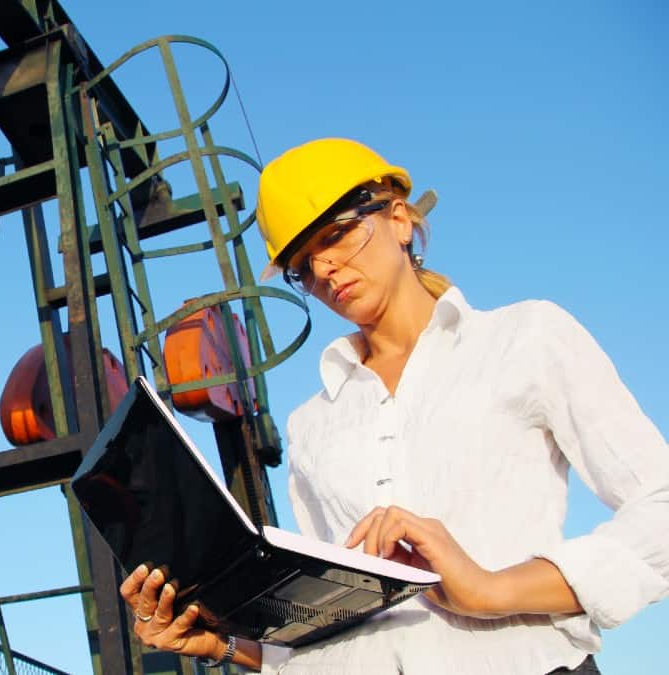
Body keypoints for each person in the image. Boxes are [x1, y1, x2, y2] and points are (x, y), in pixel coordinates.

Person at [119, 138, 668, 673]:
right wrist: (221, 643)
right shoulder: (313, 424)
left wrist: (490, 589)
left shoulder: (527, 338)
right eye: (303, 266)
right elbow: (328, 635)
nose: (325, 270)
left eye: (337, 236)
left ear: (400, 219)